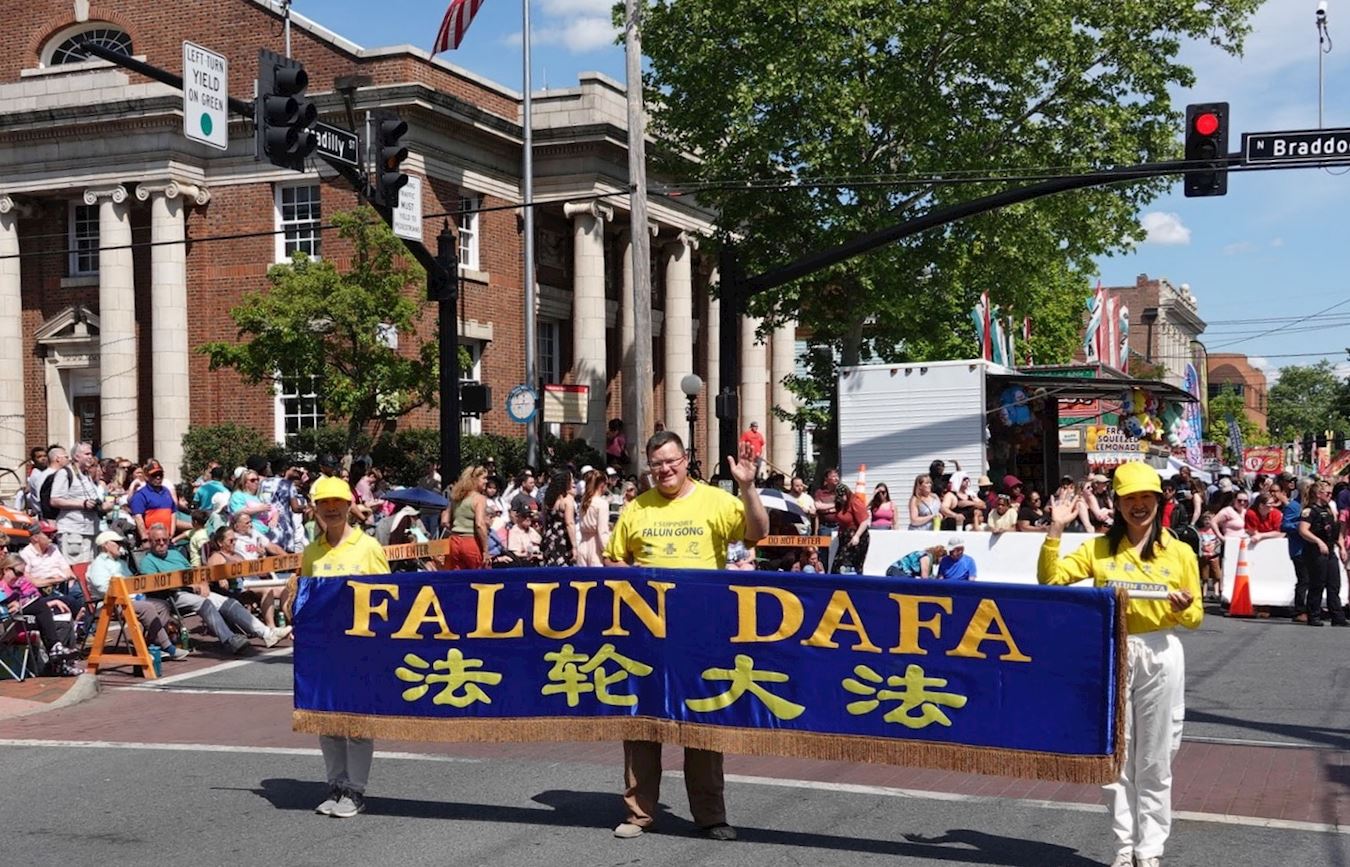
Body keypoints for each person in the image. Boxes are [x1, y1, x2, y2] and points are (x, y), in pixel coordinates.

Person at [604, 431, 767, 842]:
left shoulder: (716, 500)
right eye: (656, 463)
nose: (665, 469)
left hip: (702, 634)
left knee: (703, 722)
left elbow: (757, 532)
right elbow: (613, 559)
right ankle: (639, 813)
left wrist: (748, 488)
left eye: (671, 461)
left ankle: (711, 816)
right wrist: (637, 579)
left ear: (685, 459)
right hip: (646, 636)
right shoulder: (636, 508)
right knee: (642, 722)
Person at [1038, 461, 1202, 867]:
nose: (1138, 505)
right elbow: (1050, 580)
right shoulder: (1098, 549)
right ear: (1116, 502)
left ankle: (1150, 850)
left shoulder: (1179, 552)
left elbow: (1195, 617)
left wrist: (1181, 608)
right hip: (1111, 650)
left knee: (1155, 757)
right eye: (1130, 498)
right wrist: (1056, 528)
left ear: (1159, 501)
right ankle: (1124, 847)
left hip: (1160, 651)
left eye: (1146, 497)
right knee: (1116, 755)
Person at [294, 476, 390, 819]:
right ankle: (335, 785)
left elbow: (388, 599)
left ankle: (355, 790)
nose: (331, 509)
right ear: (315, 508)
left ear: (350, 506)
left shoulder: (369, 547)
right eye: (324, 503)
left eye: (337, 502)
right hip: (323, 650)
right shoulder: (312, 552)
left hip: (360, 649)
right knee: (329, 721)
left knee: (358, 723)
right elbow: (306, 598)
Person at [85, 531, 189, 662]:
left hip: (130, 600)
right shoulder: (98, 564)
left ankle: (156, 643)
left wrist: (137, 593)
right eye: (116, 543)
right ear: (105, 545)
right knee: (147, 607)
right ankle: (168, 647)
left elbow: (132, 582)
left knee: (163, 605)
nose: (120, 545)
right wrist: (128, 594)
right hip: (111, 603)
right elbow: (102, 587)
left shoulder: (120, 563)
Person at [1298, 480, 1348, 627]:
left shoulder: (1329, 509)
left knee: (1334, 584)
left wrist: (1341, 547)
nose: (1330, 496)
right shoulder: (1310, 510)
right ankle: (1313, 615)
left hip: (1330, 550)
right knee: (1317, 584)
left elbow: (1334, 531)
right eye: (1327, 493)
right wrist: (1318, 542)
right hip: (1315, 551)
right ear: (1319, 494)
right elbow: (1303, 530)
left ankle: (1337, 616)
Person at [48, 441, 103, 563]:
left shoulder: (86, 475)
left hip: (91, 530)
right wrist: (82, 504)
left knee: (89, 571)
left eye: (91, 454)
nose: (91, 457)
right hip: (73, 532)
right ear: (77, 456)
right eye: (87, 454)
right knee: (77, 569)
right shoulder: (65, 473)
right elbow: (54, 500)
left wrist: (102, 506)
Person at [444, 466, 489, 569]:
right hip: (471, 542)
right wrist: (485, 550)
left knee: (458, 577)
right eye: (484, 478)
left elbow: (445, 521)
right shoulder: (479, 499)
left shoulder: (456, 497)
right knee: (479, 576)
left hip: (454, 542)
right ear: (474, 479)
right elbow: (479, 524)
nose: (486, 481)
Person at [541, 468, 579, 567]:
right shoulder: (567, 500)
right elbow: (569, 523)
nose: (573, 482)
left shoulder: (547, 499)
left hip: (549, 537)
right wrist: (574, 546)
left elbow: (544, 520)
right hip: (562, 539)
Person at [832, 484, 870, 574]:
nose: (841, 499)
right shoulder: (840, 504)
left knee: (850, 566)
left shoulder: (855, 502)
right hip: (844, 538)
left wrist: (857, 536)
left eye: (842, 496)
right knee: (838, 565)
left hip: (857, 538)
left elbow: (864, 521)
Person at [576, 469, 611, 567]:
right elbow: (602, 532)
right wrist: (608, 552)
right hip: (596, 548)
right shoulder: (602, 504)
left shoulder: (584, 502)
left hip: (582, 546)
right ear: (602, 485)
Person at [1196, 514, 1222, 602]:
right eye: (1205, 519)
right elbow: (1199, 543)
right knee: (1204, 576)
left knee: (1216, 575)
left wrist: (1216, 552)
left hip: (1214, 556)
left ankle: (1216, 592)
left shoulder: (1216, 532)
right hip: (1204, 555)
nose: (1207, 521)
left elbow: (1219, 542)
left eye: (1210, 519)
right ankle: (1204, 593)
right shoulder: (1200, 532)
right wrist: (1200, 553)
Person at [814, 468, 842, 533]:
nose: (836, 478)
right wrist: (835, 505)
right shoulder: (820, 492)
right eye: (833, 476)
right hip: (824, 527)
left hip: (839, 526)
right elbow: (818, 506)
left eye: (837, 476)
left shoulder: (841, 491)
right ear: (826, 478)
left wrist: (826, 509)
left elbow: (843, 506)